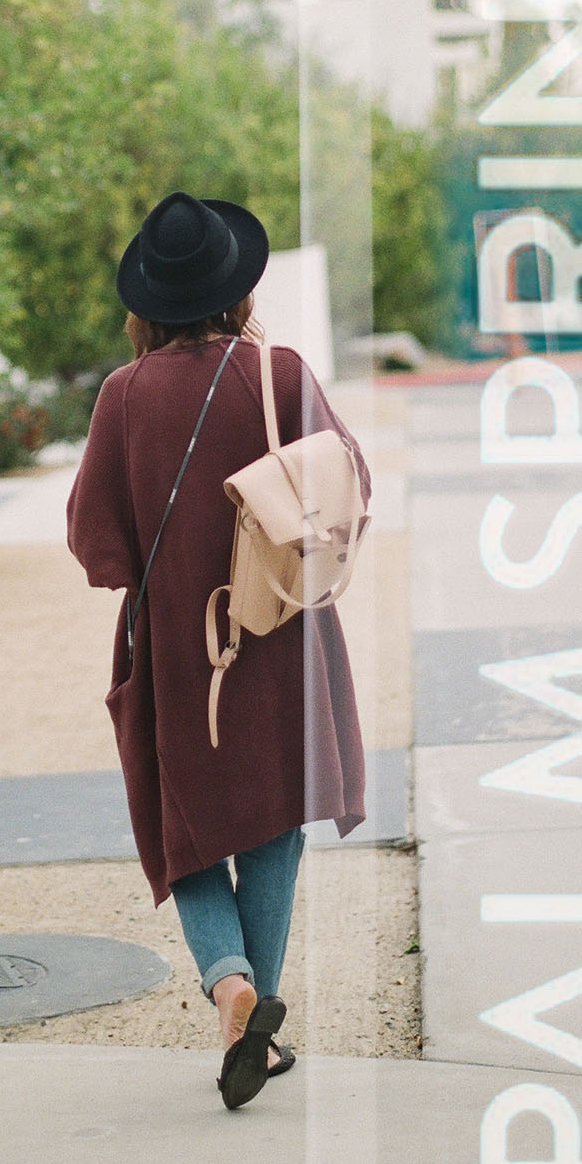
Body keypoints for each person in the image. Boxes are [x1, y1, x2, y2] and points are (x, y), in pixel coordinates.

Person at [66, 190, 369, 1110]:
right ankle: (248, 1012)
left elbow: (95, 543)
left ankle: (234, 990)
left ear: (147, 301)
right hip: (281, 630)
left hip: (179, 651)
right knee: (274, 816)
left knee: (186, 829)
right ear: (237, 288)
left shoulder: (125, 395)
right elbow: (349, 483)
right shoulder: (281, 373)